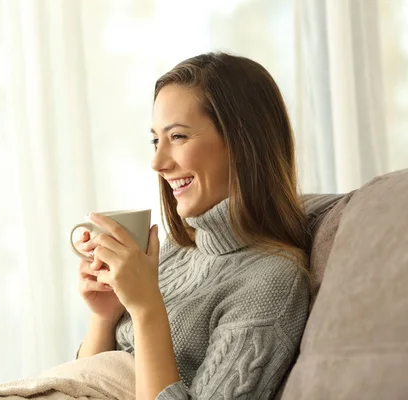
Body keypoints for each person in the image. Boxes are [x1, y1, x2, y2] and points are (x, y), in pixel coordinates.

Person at [74, 52, 311, 400]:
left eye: (178, 137)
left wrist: (146, 308)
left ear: (242, 142)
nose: (157, 162)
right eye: (156, 140)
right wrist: (105, 316)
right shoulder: (177, 250)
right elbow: (83, 386)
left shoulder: (272, 282)